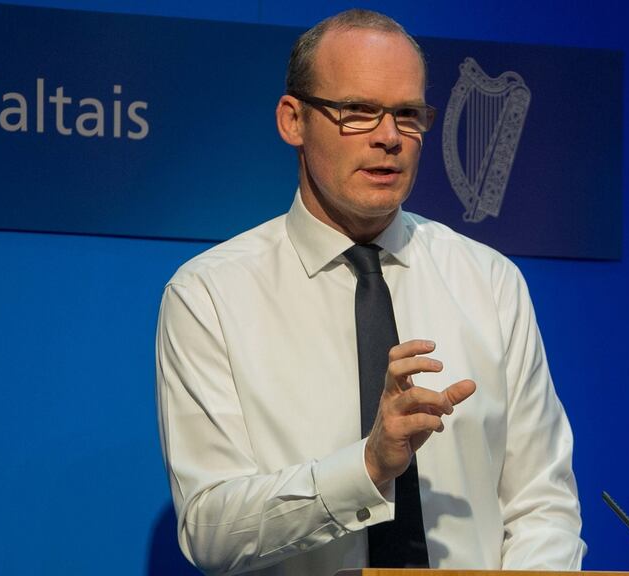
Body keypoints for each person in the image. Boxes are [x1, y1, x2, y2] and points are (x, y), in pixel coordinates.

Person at [156, 9, 586, 575]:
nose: (389, 138)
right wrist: (367, 468)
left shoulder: (490, 281)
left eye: (407, 114)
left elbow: (543, 507)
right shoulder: (209, 294)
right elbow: (210, 528)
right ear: (293, 120)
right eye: (357, 112)